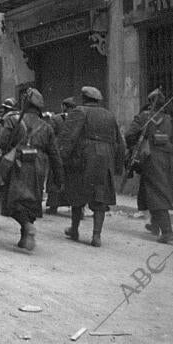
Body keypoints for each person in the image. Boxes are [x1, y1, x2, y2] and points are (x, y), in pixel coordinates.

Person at [0, 88, 64, 250]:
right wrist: (59, 178)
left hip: (18, 162)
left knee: (14, 200)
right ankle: (25, 235)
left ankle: (27, 226)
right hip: (39, 165)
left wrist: (11, 143)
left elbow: (0, 141)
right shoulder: (47, 127)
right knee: (32, 201)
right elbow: (54, 154)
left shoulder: (14, 121)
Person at [58, 86, 124, 247]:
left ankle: (74, 229)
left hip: (84, 157)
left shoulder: (79, 111)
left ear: (84, 98)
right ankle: (96, 236)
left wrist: (61, 158)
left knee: (76, 192)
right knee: (100, 197)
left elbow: (68, 137)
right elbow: (120, 143)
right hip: (105, 160)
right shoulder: (109, 115)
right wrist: (118, 166)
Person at [125, 88, 173, 244]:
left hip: (151, 160)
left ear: (150, 103)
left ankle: (167, 233)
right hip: (168, 161)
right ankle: (154, 225)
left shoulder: (144, 118)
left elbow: (129, 135)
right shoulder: (168, 120)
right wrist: (167, 145)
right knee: (149, 190)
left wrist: (136, 148)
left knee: (157, 193)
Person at [45, 97, 76, 215]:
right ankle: (77, 208)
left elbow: (50, 134)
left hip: (58, 153)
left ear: (63, 106)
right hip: (73, 154)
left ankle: (53, 206)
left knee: (54, 178)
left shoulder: (56, 119)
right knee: (73, 180)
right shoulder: (78, 118)